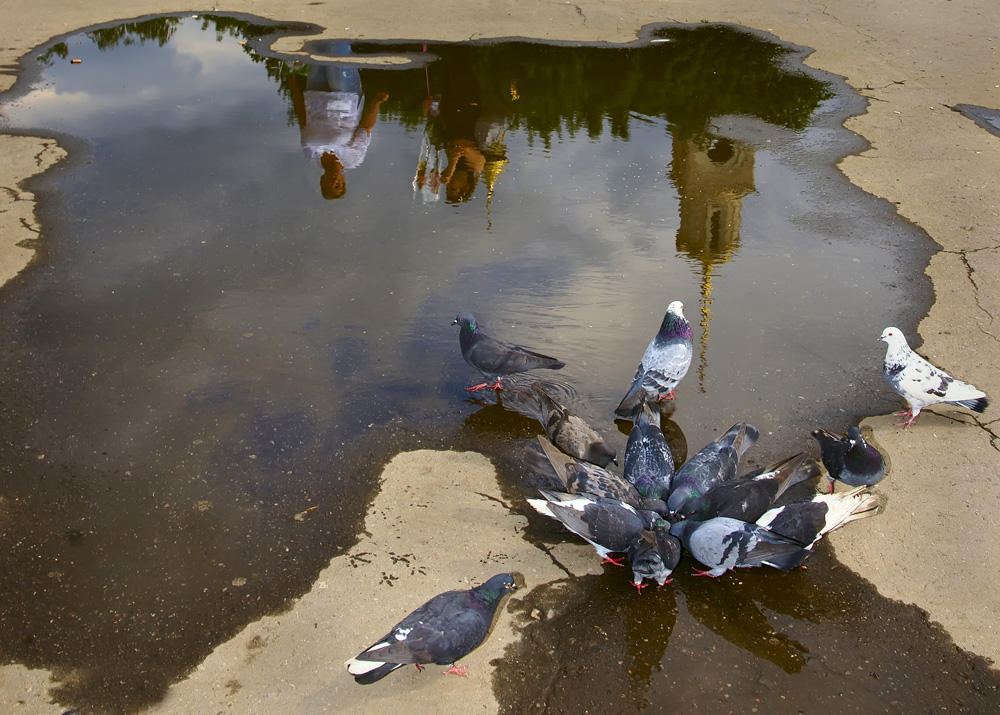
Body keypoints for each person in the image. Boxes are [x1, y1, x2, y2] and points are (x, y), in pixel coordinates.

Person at [286, 40, 388, 199]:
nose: (335, 182)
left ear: (322, 182)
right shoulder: (353, 159)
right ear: (343, 180)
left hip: (314, 94)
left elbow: (303, 121)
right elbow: (365, 128)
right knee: (336, 47)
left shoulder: (311, 157)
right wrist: (376, 102)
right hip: (345, 96)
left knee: (316, 47)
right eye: (339, 185)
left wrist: (295, 91)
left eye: (330, 186)